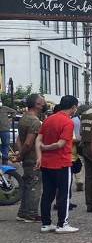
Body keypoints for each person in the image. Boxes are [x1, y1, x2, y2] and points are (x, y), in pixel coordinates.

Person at [36, 95, 79, 233]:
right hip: (62, 162)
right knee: (64, 194)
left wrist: (40, 154)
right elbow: (61, 143)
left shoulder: (48, 119)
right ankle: (62, 223)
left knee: (47, 194)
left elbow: (39, 139)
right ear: (73, 107)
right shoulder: (68, 122)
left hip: (46, 163)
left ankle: (46, 223)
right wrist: (47, 147)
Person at [15, 94, 45, 223]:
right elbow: (29, 142)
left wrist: (20, 154)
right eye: (41, 102)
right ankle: (31, 214)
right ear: (36, 104)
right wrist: (22, 154)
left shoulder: (23, 118)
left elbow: (18, 140)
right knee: (34, 185)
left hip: (26, 156)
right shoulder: (35, 121)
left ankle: (22, 212)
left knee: (27, 185)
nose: (43, 104)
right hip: (33, 156)